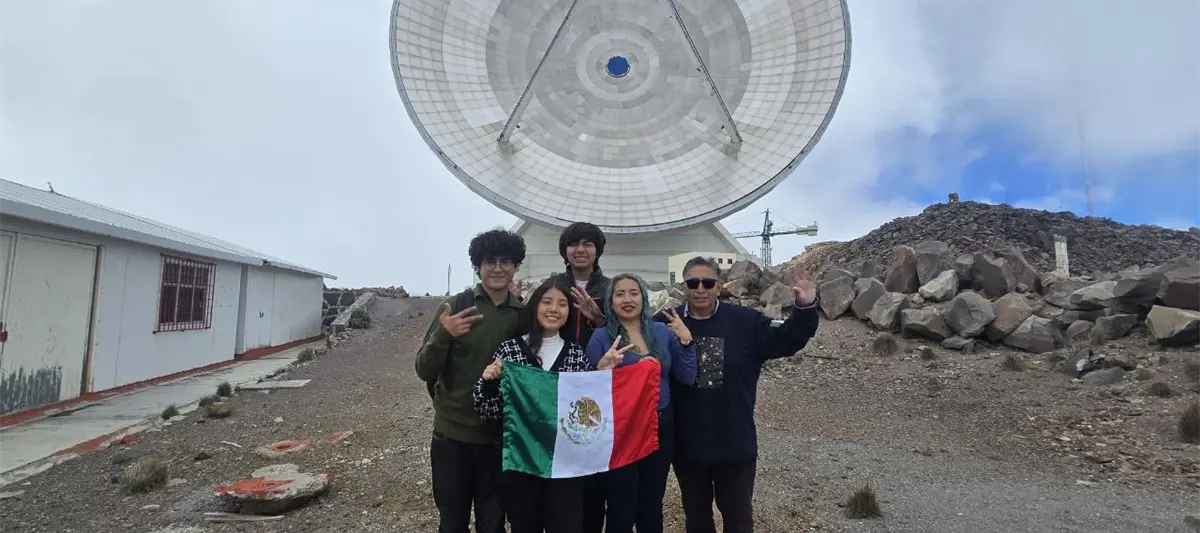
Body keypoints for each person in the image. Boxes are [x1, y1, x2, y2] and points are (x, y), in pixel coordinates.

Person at [661, 257, 819, 533]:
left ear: (719, 285)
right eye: (693, 283)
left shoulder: (746, 322)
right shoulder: (665, 324)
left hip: (735, 445)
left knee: (739, 521)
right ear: (683, 286)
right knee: (697, 521)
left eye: (708, 283)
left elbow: (788, 338)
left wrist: (804, 308)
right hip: (688, 447)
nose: (700, 289)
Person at [415, 228, 527, 533]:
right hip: (452, 438)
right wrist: (443, 334)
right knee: (452, 521)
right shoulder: (455, 306)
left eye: (506, 261)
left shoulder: (522, 316)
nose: (498, 268)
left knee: (492, 523)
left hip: (498, 438)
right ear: (477, 266)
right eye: (489, 261)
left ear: (516, 266)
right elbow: (424, 369)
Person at [472, 278, 593, 533]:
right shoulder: (509, 352)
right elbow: (488, 410)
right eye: (546, 302)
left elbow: (588, 413)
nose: (554, 309)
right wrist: (489, 381)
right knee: (525, 526)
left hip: (565, 465)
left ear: (569, 313)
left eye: (562, 304)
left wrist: (602, 373)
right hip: (522, 462)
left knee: (567, 526)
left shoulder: (577, 355)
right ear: (534, 307)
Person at [585, 274, 698, 533]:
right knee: (620, 508)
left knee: (651, 506)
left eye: (634, 293)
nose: (627, 299)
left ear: (643, 298)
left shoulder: (661, 331)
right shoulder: (601, 338)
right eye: (620, 294)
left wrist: (686, 341)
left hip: (660, 426)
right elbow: (588, 392)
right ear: (610, 302)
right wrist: (602, 369)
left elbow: (687, 376)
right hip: (620, 430)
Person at [548, 221, 611, 533]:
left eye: (588, 243)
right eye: (574, 244)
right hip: (557, 388)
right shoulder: (553, 286)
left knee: (593, 473)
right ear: (565, 251)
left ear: (597, 250)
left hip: (596, 390)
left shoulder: (611, 289)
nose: (581, 249)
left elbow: (625, 333)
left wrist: (598, 318)